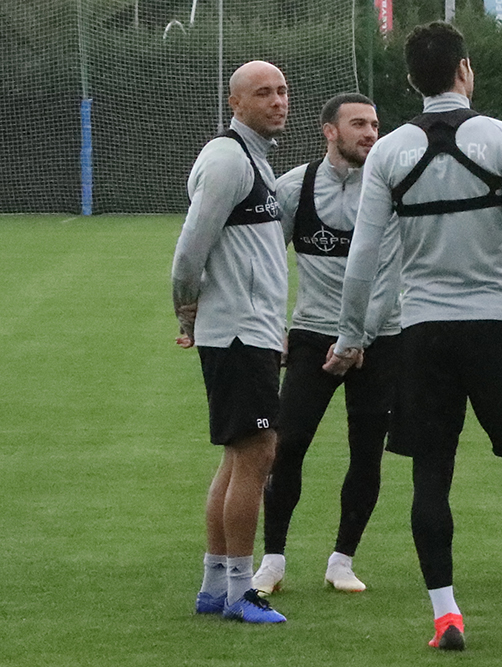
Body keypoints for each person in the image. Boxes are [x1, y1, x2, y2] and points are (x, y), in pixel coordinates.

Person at [324, 21, 502, 651]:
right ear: (465, 70)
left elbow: (364, 259)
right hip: (496, 328)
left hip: (422, 334)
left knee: (430, 477)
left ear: (411, 79)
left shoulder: (388, 153)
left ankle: (446, 618)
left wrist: (352, 335)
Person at [250, 94, 401, 597]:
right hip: (313, 336)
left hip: (379, 339)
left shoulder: (390, 190)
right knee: (287, 446)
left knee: (366, 452)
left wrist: (357, 338)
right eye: (358, 124)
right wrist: (274, 327)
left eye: (374, 124)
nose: (370, 133)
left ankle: (342, 560)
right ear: (329, 131)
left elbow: (389, 275)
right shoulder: (293, 188)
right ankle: (272, 561)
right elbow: (266, 264)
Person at [171, 60, 290, 623]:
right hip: (238, 332)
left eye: (282, 91)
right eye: (263, 93)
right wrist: (185, 310)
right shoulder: (227, 159)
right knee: (258, 453)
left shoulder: (255, 159)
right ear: (235, 103)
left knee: (240, 454)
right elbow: (190, 248)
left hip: (253, 330)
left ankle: (215, 586)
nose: (277, 101)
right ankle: (242, 591)